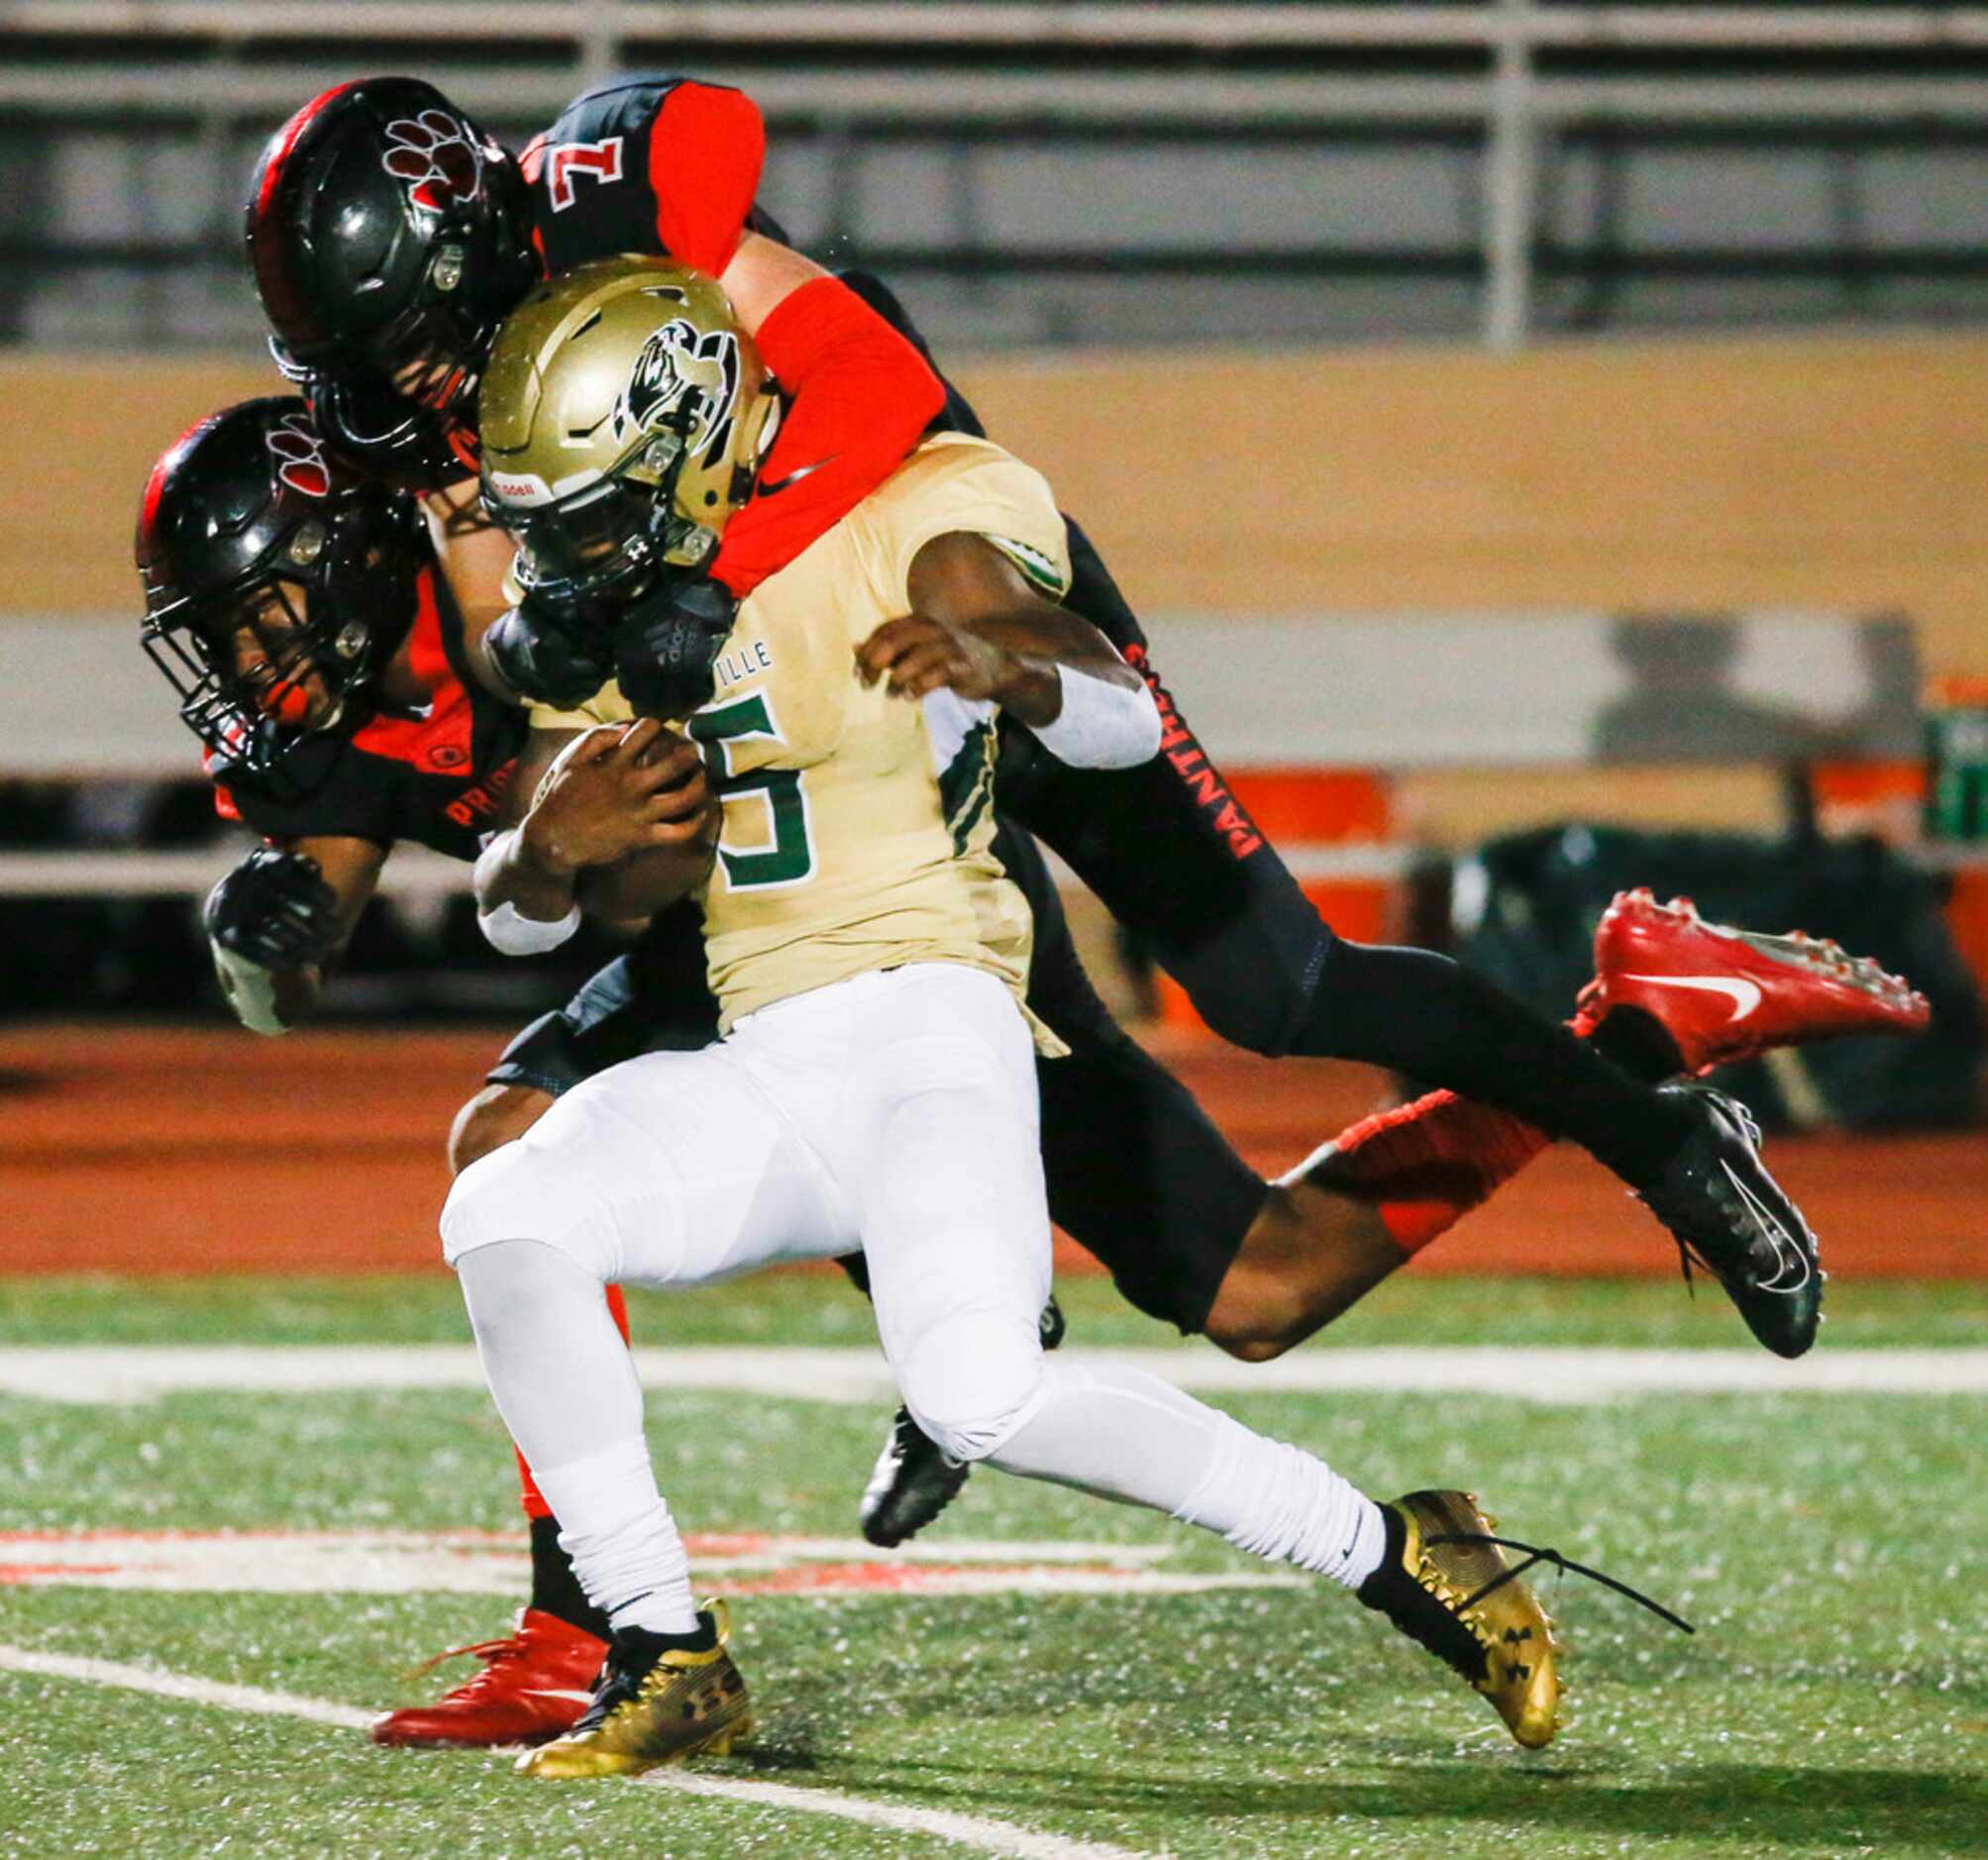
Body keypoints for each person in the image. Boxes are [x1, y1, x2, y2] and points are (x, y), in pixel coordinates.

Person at [139, 394, 1927, 1753]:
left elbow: (1093, 695)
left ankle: (1601, 1094)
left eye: (264, 629)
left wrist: (995, 663)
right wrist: (456, 872)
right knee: (513, 1171)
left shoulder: (857, 500)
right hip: (748, 981)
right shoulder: (532, 594)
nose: (533, 512)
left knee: (1256, 1104)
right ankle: (640, 1632)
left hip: (932, 955)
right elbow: (464, 904)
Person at [244, 73, 1841, 1377]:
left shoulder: (618, 208)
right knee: (803, 1000)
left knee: (1275, 985)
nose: (398, 393)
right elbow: (496, 620)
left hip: (931, 591)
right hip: (792, 706)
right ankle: (952, 1319)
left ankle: (1655, 1136)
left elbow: (877, 381)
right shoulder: (434, 404)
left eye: (395, 344)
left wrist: (717, 568)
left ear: (462, 257)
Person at [449, 253, 1606, 1771]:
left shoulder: (909, 506)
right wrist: (541, 853)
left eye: (589, 511)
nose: (567, 559)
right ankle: (665, 1644)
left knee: (980, 1392)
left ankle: (1404, 1552)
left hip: (938, 1019)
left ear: (684, 438)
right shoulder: (622, 616)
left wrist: (1008, 667)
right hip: (766, 1046)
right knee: (508, 1211)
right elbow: (524, 897)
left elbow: (1120, 712)